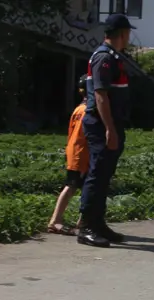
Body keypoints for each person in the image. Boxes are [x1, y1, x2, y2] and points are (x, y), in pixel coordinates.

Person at [77, 13, 136, 247]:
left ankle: (98, 223)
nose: (129, 36)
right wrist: (110, 129)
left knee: (104, 176)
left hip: (111, 124)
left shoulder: (114, 56)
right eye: (128, 32)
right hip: (101, 125)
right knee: (97, 174)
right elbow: (100, 97)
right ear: (122, 33)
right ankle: (86, 227)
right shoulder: (104, 57)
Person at [48, 74, 90, 236]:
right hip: (82, 154)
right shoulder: (88, 110)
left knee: (76, 186)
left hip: (75, 151)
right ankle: (56, 220)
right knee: (75, 186)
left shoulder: (78, 109)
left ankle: (79, 222)